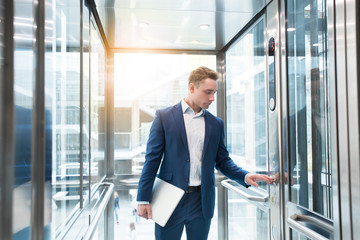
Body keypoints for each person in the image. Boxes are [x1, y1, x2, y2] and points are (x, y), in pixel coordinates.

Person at [136, 66, 274, 240]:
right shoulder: (164, 117)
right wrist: (143, 199)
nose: (212, 98)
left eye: (214, 93)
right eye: (208, 92)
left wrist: (245, 176)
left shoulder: (216, 124)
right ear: (192, 88)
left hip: (201, 202)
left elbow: (223, 161)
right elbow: (152, 161)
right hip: (169, 199)